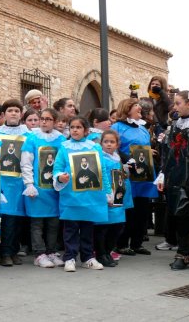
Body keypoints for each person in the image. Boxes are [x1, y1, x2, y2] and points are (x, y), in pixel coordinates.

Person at [53, 116, 110, 272]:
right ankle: (70, 257)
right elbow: (57, 168)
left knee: (87, 228)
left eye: (78, 127)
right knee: (70, 228)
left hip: (90, 196)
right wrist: (60, 177)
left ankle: (87, 257)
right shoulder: (64, 147)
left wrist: (108, 191)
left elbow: (102, 170)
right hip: (71, 196)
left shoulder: (95, 147)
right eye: (72, 127)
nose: (75, 130)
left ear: (86, 130)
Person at [156, 91, 189, 270]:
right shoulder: (175, 125)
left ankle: (185, 253)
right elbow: (168, 153)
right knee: (179, 215)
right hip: (176, 178)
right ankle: (188, 253)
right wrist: (162, 174)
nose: (174, 107)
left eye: (178, 103)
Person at [20, 108, 66, 268]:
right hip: (38, 188)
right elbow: (26, 162)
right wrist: (29, 184)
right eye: (42, 118)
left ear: (54, 121)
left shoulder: (60, 139)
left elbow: (63, 161)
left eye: (48, 119)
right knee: (37, 223)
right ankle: (39, 254)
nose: (44, 122)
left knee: (53, 223)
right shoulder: (32, 138)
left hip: (53, 188)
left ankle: (51, 251)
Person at [112, 99, 157, 257]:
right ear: (127, 108)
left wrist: (148, 152)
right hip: (127, 174)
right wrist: (128, 158)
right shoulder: (117, 127)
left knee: (142, 209)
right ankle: (122, 244)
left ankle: (137, 243)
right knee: (128, 210)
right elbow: (113, 148)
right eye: (136, 105)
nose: (140, 108)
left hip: (143, 174)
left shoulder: (143, 128)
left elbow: (144, 147)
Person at [0, 99, 31, 267]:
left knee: (19, 218)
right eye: (10, 110)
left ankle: (14, 250)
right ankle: (5, 252)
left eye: (17, 111)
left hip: (20, 181)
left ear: (21, 114)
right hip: (3, 181)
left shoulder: (28, 134)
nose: (13, 113)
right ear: (4, 114)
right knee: (8, 218)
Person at [93, 130, 132, 268]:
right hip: (105, 196)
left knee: (118, 226)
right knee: (103, 227)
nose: (108, 144)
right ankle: (101, 253)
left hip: (118, 197)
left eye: (112, 142)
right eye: (106, 142)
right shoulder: (100, 157)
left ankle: (108, 251)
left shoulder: (117, 157)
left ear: (117, 144)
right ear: (101, 143)